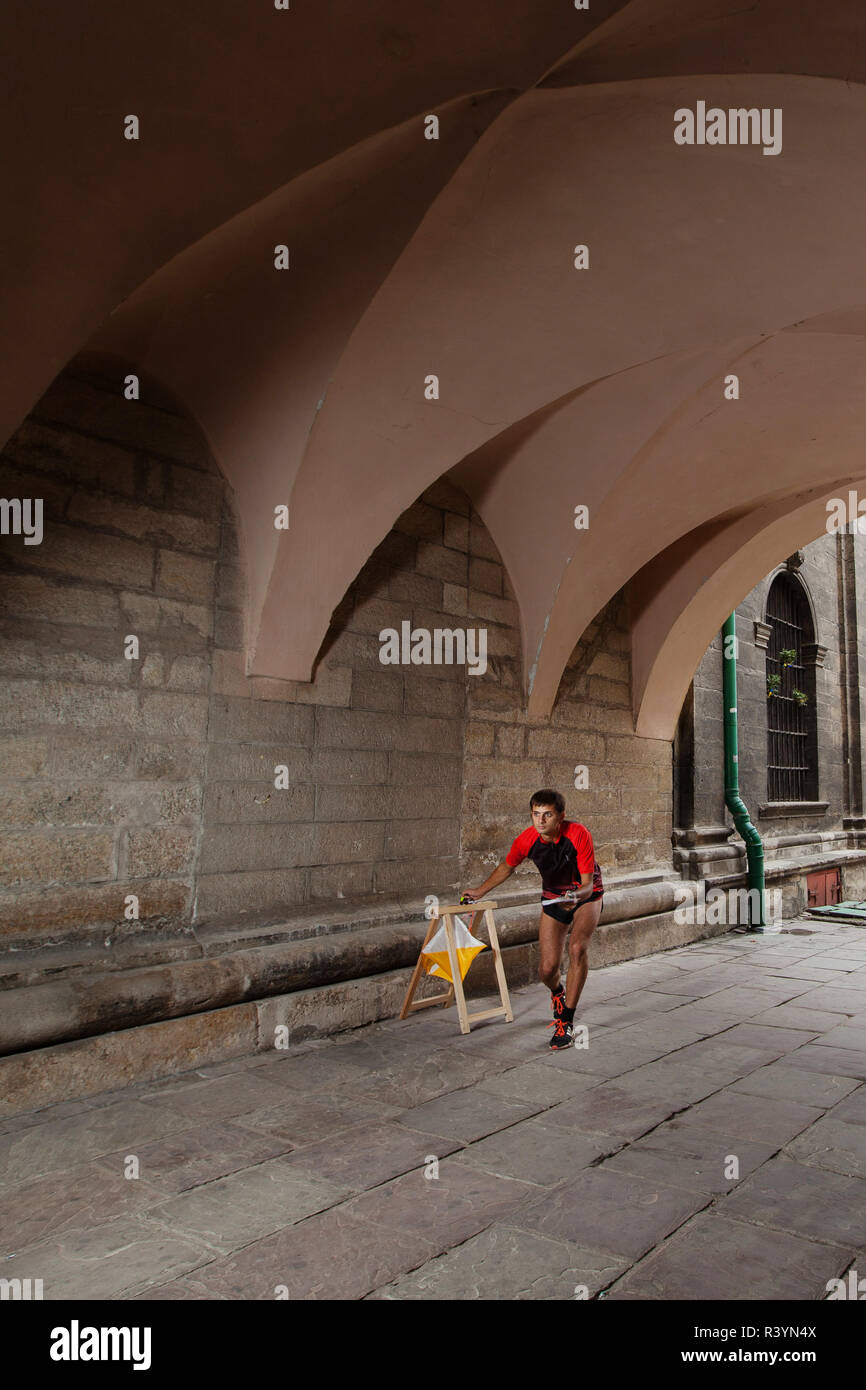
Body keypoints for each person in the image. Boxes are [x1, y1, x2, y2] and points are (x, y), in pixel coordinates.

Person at [461, 789, 603, 1049]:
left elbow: (587, 884)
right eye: (536, 814)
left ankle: (566, 1022)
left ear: (561, 816)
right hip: (553, 898)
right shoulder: (527, 839)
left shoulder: (578, 834)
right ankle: (558, 993)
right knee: (547, 970)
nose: (541, 821)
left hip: (585, 896)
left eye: (547, 815)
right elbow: (507, 866)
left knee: (577, 948)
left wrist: (575, 895)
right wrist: (480, 891)